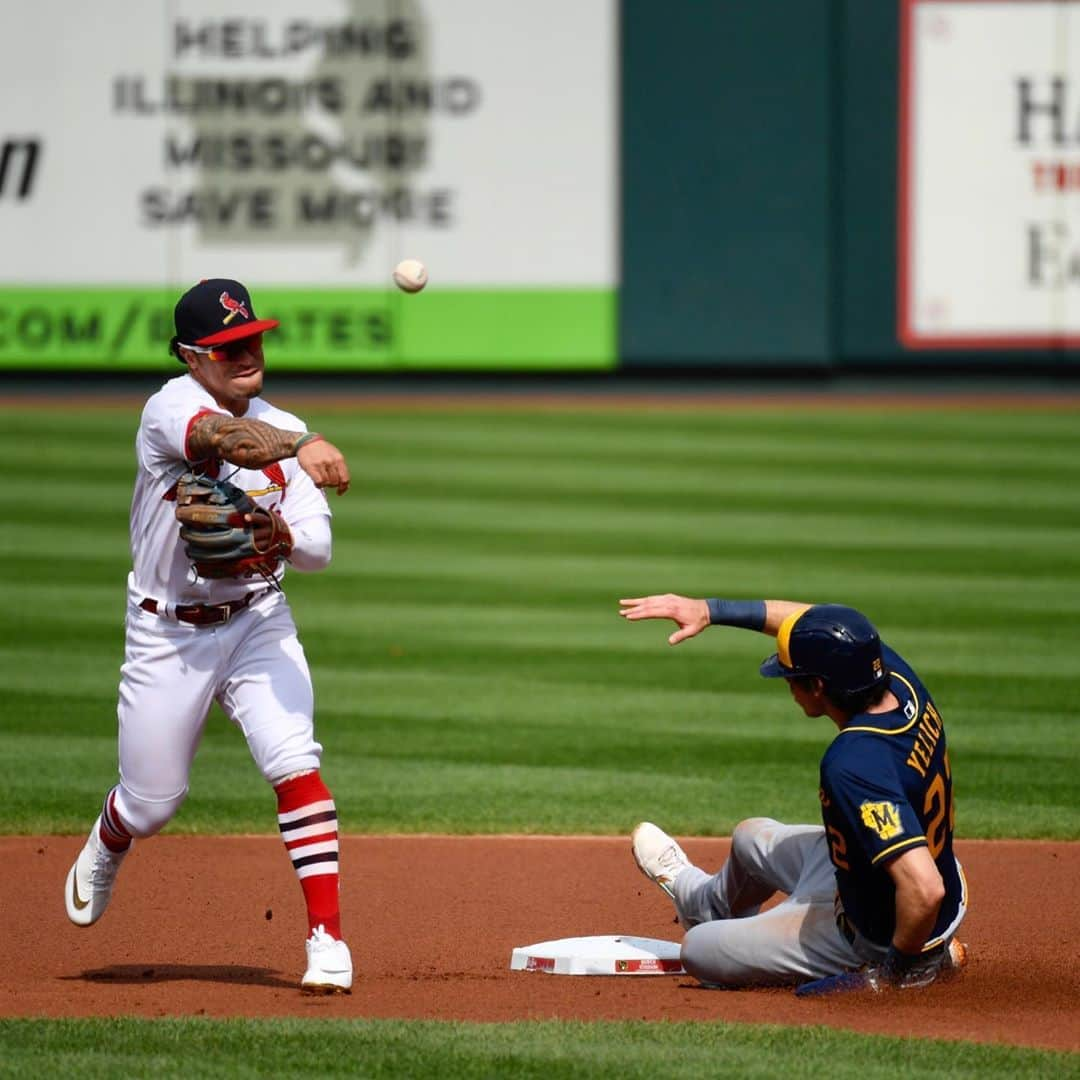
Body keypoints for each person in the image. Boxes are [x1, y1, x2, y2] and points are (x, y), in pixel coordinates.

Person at [64, 278, 354, 993]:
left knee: (294, 759)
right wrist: (303, 442)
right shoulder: (171, 408)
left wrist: (280, 533)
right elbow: (222, 438)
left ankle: (327, 940)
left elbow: (317, 550)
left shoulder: (283, 422)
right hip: (167, 634)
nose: (246, 352)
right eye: (226, 347)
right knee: (152, 803)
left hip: (258, 619)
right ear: (193, 357)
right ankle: (111, 835)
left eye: (252, 338)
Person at [618, 593, 968, 994]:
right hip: (872, 879)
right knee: (750, 838)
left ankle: (924, 959)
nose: (786, 683)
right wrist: (711, 611)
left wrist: (896, 972)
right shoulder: (894, 678)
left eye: (790, 677)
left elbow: (924, 888)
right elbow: (808, 623)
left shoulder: (854, 762)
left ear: (817, 687)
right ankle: (702, 902)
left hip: (877, 929)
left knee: (697, 950)